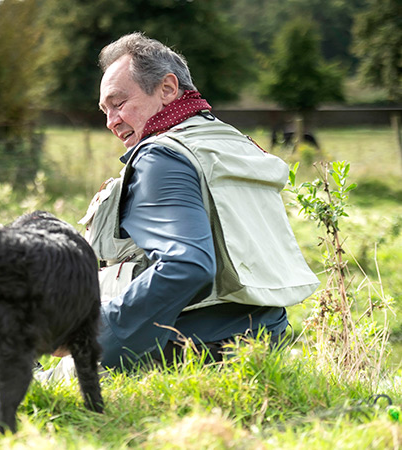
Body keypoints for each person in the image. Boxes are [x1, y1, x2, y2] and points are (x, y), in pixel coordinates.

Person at [72, 33, 320, 371]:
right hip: (262, 347)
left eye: (118, 103)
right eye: (105, 110)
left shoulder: (162, 156)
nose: (110, 121)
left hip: (180, 351)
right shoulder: (237, 144)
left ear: (168, 89)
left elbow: (187, 266)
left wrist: (94, 333)